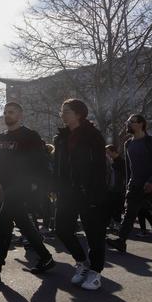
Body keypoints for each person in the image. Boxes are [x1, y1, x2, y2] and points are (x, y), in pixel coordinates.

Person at [0, 102, 55, 281]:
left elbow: (41, 162)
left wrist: (40, 184)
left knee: (3, 224)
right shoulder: (1, 137)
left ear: (20, 115)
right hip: (8, 187)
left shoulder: (30, 136)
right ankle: (46, 258)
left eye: (11, 112)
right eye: (5, 112)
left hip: (22, 187)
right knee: (24, 224)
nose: (7, 115)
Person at [53, 99, 108, 290]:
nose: (62, 114)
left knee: (94, 235)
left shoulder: (93, 136)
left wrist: (96, 194)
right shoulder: (60, 138)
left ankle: (95, 272)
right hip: (66, 192)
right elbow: (57, 167)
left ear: (78, 114)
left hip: (89, 192)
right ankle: (82, 263)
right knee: (61, 228)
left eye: (66, 111)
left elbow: (101, 168)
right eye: (62, 111)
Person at [107, 114, 152, 254]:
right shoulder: (128, 144)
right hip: (135, 186)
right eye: (128, 121)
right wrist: (127, 187)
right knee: (129, 215)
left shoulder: (150, 142)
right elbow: (128, 167)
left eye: (131, 122)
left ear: (141, 124)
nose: (128, 124)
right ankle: (121, 242)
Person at [106, 144, 126, 232]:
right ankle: (112, 223)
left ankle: (117, 224)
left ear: (113, 152)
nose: (107, 155)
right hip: (112, 188)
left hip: (118, 188)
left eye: (108, 152)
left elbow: (124, 176)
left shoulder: (121, 162)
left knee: (117, 207)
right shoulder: (112, 161)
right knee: (111, 206)